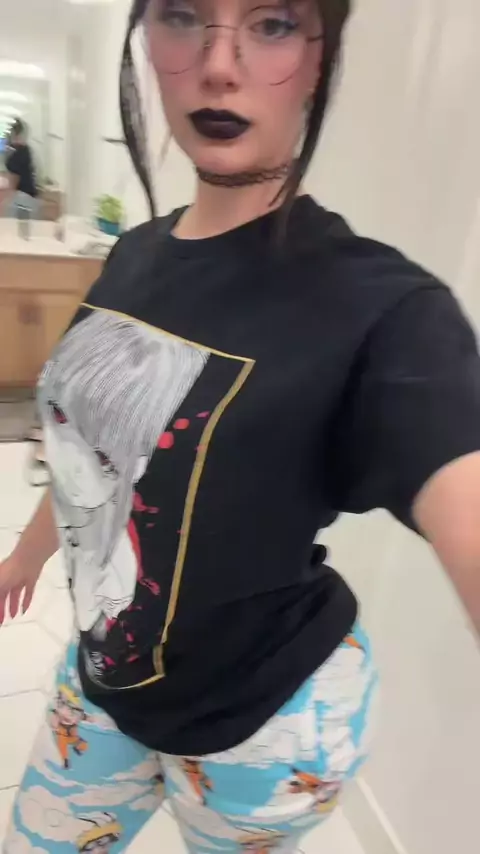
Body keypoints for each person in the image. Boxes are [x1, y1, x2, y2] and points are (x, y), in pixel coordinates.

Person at [1, 1, 480, 852]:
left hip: (267, 725)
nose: (220, 65)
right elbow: (93, 451)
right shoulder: (134, 254)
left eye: (273, 23)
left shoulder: (384, 308)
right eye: (185, 15)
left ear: (323, 57)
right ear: (147, 39)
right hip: (105, 680)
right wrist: (26, 556)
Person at [4, 118, 38, 218]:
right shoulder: (25, 149)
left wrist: (7, 199)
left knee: (15, 224)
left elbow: (14, 179)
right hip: (29, 196)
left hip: (21, 198)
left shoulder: (16, 154)